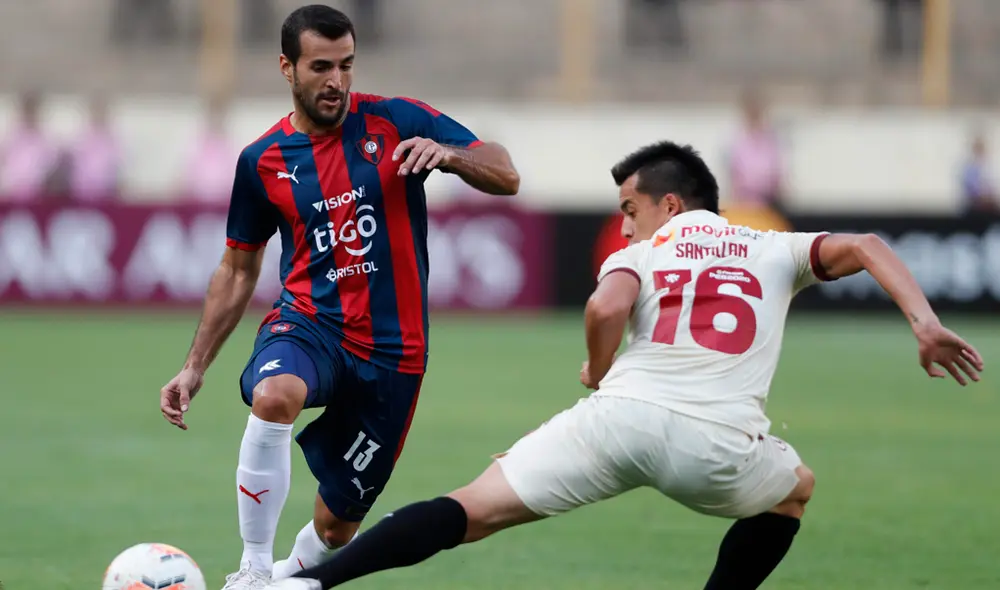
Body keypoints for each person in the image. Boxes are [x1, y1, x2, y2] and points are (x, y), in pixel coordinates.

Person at [264, 141, 984, 590]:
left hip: (616, 422)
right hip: (719, 446)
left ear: (671, 204)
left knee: (472, 509)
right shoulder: (774, 247)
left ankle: (311, 584)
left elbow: (606, 310)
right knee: (796, 488)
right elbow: (864, 245)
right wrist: (923, 323)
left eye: (630, 206)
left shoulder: (641, 252)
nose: (627, 220)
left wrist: (597, 368)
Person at [157, 5, 519, 590]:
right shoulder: (262, 161)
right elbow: (237, 267)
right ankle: (251, 570)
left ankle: (279, 580)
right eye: (321, 66)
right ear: (287, 68)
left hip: (394, 352)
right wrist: (195, 366)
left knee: (335, 530)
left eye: (346, 64)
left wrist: (451, 156)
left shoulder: (397, 120)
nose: (337, 81)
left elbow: (506, 173)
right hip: (311, 326)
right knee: (274, 396)